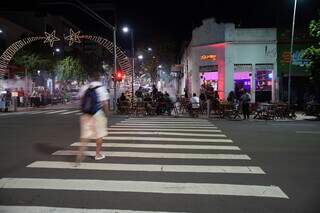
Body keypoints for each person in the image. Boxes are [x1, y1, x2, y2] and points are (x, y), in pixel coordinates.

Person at [77, 71, 110, 163]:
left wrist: (83, 109)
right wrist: (107, 113)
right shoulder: (101, 88)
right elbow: (105, 103)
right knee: (99, 135)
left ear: (90, 78)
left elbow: (80, 99)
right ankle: (98, 154)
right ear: (99, 78)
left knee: (85, 136)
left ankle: (80, 154)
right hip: (97, 113)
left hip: (86, 114)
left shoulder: (85, 87)